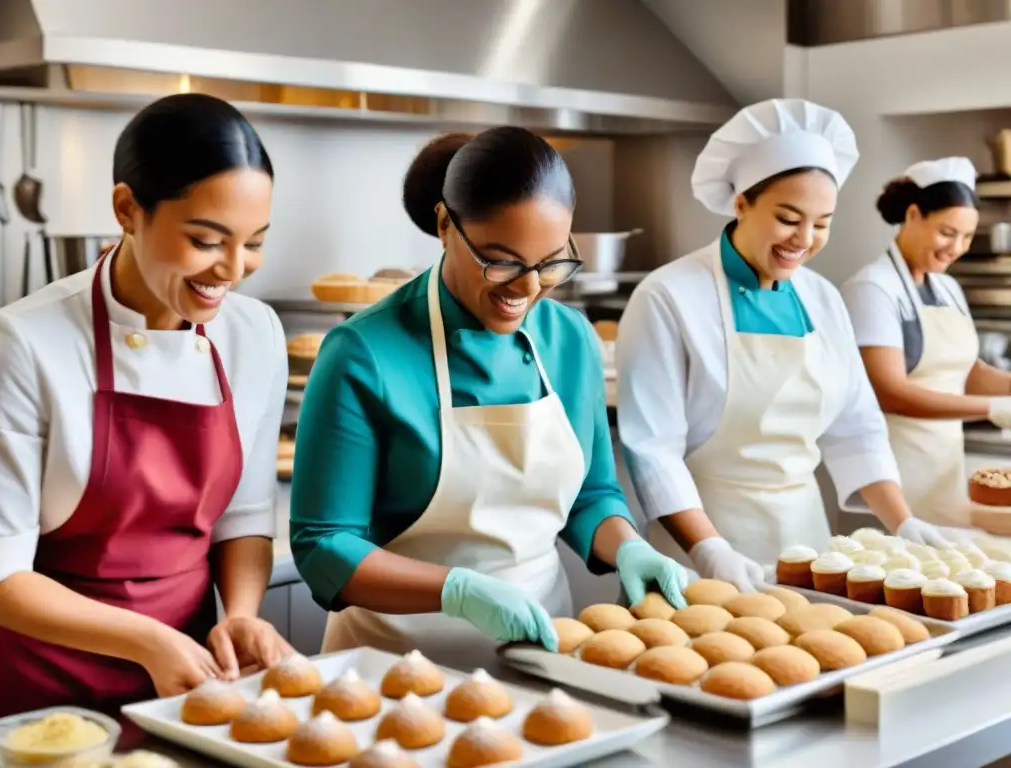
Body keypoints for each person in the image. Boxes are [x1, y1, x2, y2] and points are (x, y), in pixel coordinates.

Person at [290, 128, 687, 668]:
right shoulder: (363, 352)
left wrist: (627, 547)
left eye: (550, 263)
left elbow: (590, 493)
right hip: (391, 665)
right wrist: (457, 590)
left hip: (538, 654)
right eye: (501, 261)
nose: (527, 289)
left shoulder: (570, 339)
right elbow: (324, 545)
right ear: (444, 225)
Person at [0, 93, 291, 721]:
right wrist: (147, 639)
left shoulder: (255, 333)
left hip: (194, 683)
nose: (233, 270)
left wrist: (239, 616)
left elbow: (246, 517)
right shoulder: (21, 345)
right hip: (42, 692)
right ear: (128, 209)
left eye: (253, 242)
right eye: (207, 240)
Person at [616, 99, 979, 593]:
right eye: (788, 217)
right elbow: (653, 450)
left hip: (807, 549)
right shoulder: (669, 295)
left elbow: (857, 428)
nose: (804, 240)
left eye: (822, 222)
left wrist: (903, 522)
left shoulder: (822, 298)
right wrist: (709, 549)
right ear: (741, 201)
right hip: (697, 553)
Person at [842, 157, 1011, 526]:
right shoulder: (872, 289)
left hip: (944, 472)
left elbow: (965, 373)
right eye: (947, 232)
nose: (957, 248)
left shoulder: (947, 286)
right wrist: (992, 409)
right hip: (895, 477)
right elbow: (891, 392)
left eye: (967, 237)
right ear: (914, 214)